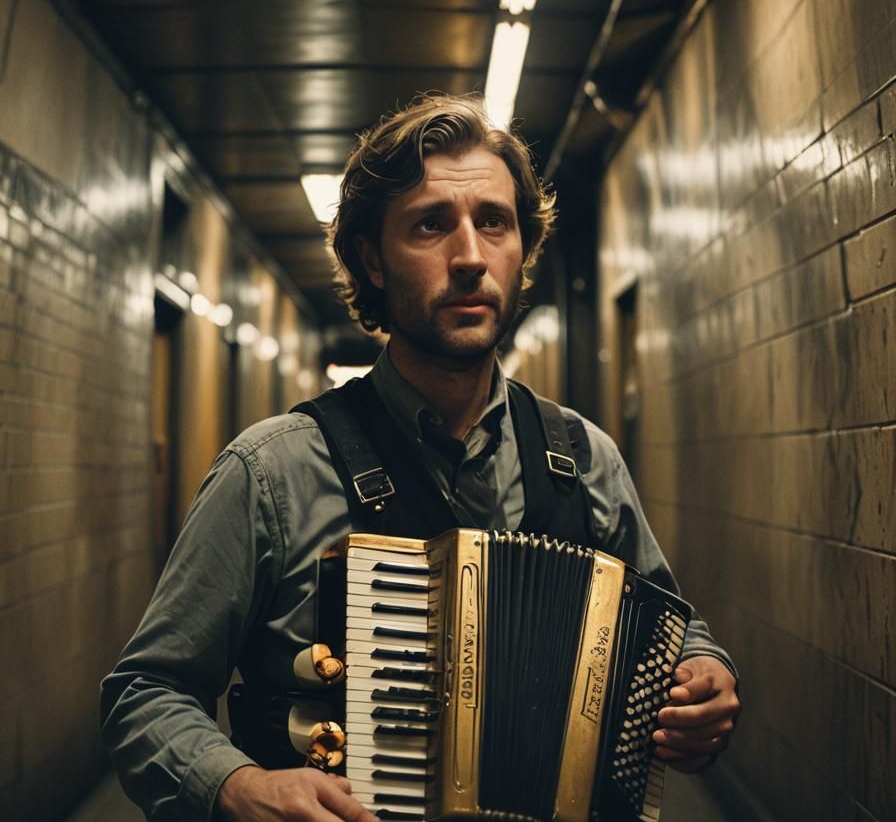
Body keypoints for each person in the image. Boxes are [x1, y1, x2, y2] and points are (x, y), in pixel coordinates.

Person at [100, 93, 741, 822]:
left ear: (522, 247)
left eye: (493, 222)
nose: (470, 257)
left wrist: (705, 673)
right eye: (431, 225)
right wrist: (238, 786)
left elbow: (671, 627)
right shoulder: (271, 474)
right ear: (371, 258)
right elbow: (144, 694)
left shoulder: (585, 459)